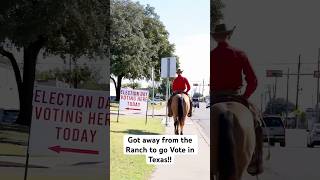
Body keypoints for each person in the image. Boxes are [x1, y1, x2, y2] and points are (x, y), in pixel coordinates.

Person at [211, 23, 263, 175]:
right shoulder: (240, 53)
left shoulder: (210, 56)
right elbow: (253, 81)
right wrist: (244, 98)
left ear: (215, 38)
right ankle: (256, 162)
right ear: (229, 35)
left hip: (215, 96)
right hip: (236, 96)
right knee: (257, 122)